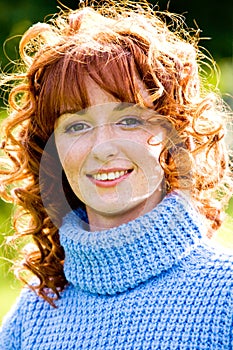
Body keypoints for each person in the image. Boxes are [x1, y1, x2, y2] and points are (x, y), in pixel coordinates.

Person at [0, 0, 232, 348]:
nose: (102, 147)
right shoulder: (31, 317)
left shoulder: (224, 295)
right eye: (76, 125)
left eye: (128, 120)